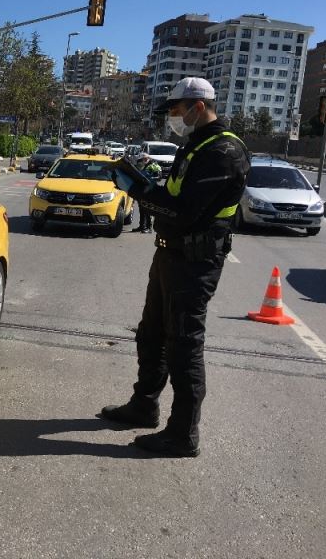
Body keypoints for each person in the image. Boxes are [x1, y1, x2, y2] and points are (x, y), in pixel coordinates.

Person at [101, 77, 250, 457]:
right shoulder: (195, 145)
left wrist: (135, 190)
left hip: (195, 262)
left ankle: (182, 434)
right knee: (151, 334)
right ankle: (144, 405)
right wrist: (141, 180)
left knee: (183, 346)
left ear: (198, 108)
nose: (172, 118)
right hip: (169, 254)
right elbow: (171, 194)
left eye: (176, 110)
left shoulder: (223, 152)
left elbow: (183, 211)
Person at [131, 155, 162, 233]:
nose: (142, 161)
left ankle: (148, 227)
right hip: (142, 190)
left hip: (150, 190)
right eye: (141, 159)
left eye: (143, 159)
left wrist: (149, 178)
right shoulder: (143, 166)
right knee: (142, 208)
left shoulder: (154, 166)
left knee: (148, 208)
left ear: (147, 159)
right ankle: (142, 226)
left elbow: (159, 177)